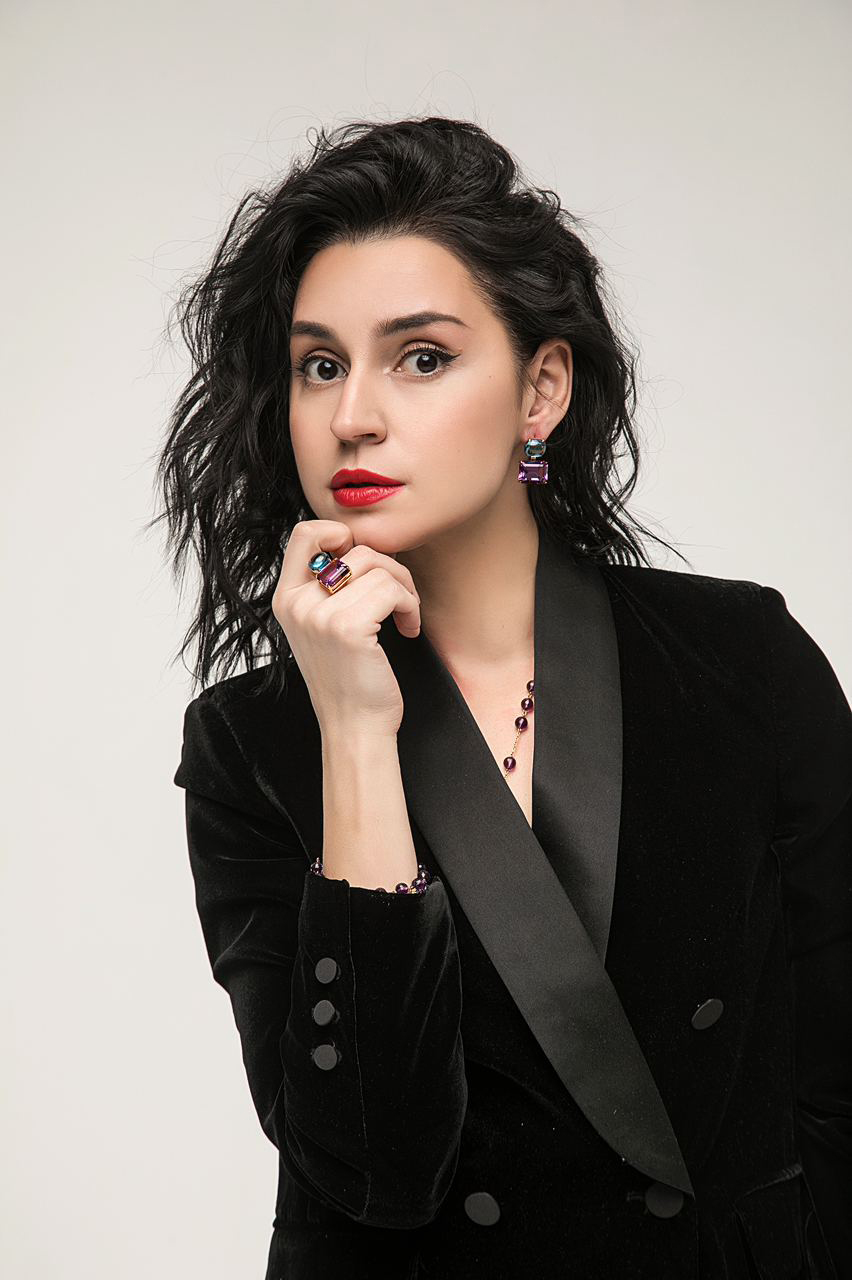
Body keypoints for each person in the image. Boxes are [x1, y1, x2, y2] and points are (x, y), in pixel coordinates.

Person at [156, 117, 851, 1279]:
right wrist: (355, 730)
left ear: (541, 390)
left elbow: (838, 1083)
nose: (353, 414)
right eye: (320, 364)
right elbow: (370, 1169)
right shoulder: (254, 742)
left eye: (421, 357)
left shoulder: (738, 656)